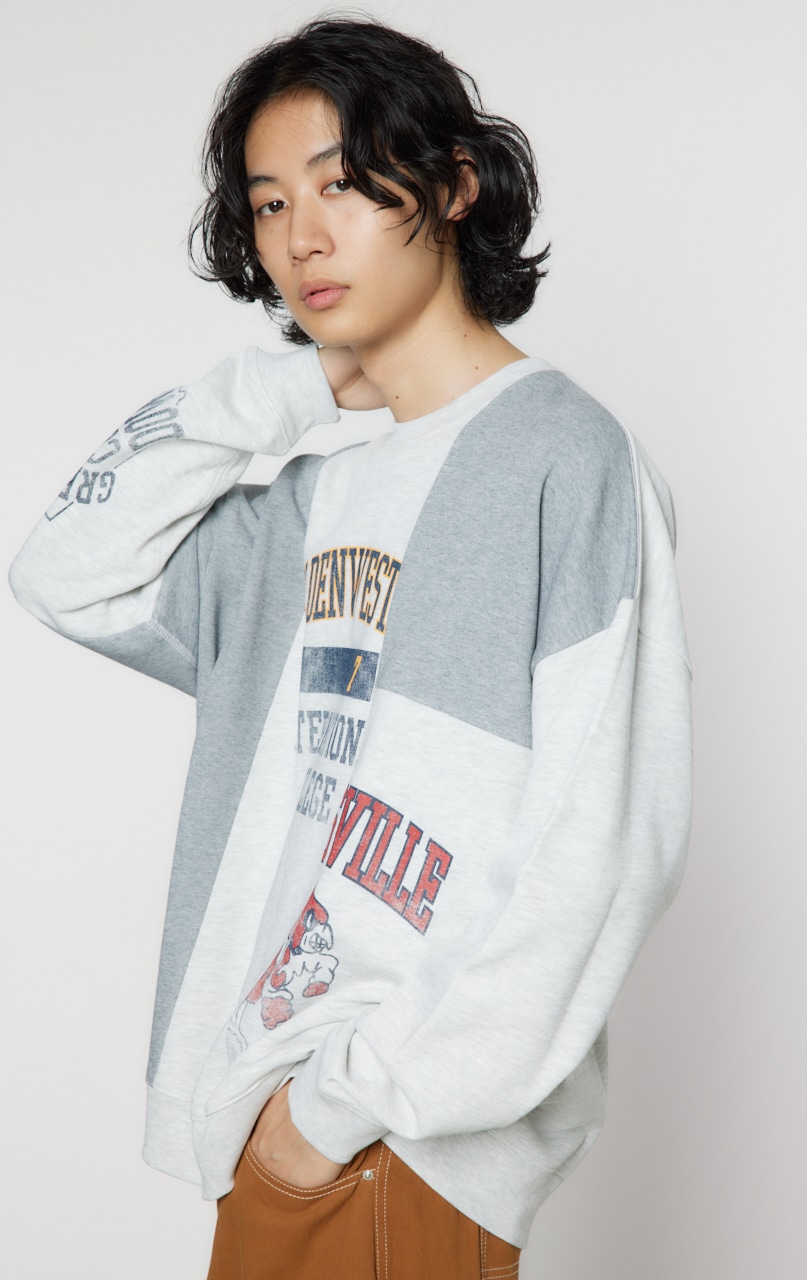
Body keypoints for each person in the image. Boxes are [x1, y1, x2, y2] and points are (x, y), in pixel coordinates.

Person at [9, 16, 692, 1279]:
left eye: (339, 183)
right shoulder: (312, 501)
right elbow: (63, 568)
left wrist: (344, 1107)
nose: (300, 238)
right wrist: (297, 386)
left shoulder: (563, 456)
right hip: (281, 1118)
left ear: (452, 182)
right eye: (269, 202)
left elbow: (603, 847)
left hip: (392, 1139)